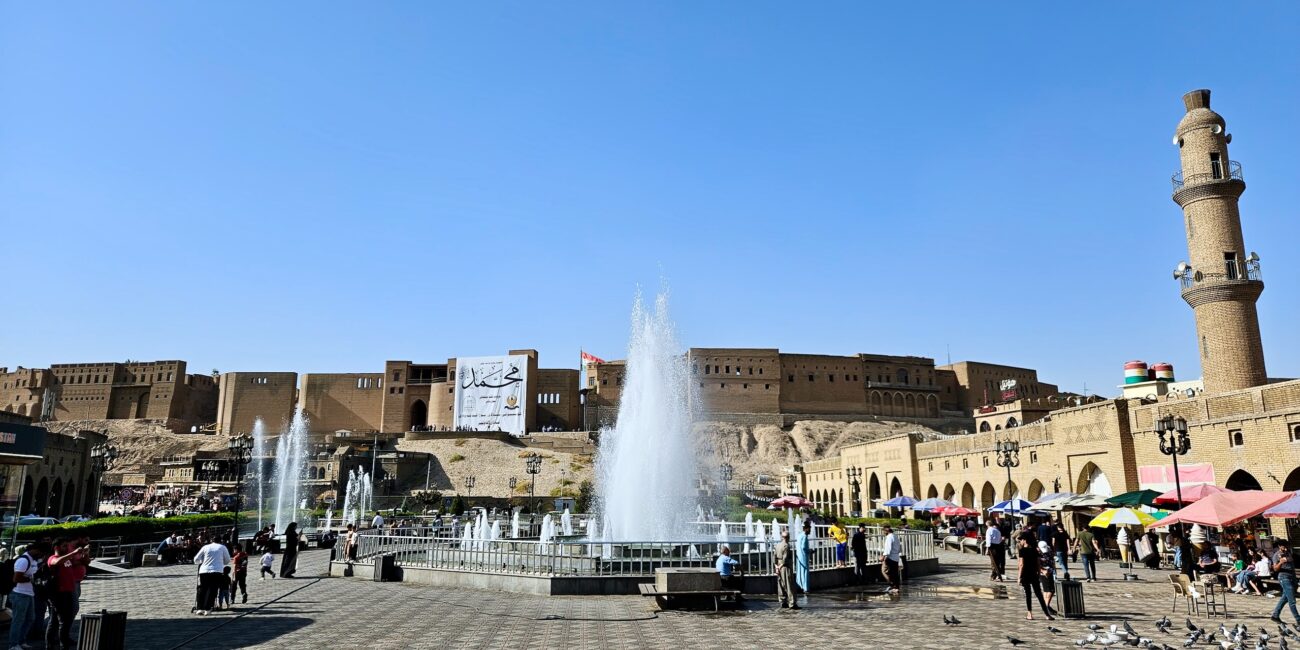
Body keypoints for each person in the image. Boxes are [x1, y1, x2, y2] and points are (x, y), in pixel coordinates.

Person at [45, 538, 85, 650]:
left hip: (68, 592)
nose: (66, 548)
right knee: (61, 621)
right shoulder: (53, 558)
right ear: (56, 547)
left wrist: (82, 553)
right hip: (59, 594)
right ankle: (58, 644)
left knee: (62, 620)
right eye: (64, 546)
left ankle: (62, 641)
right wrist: (73, 553)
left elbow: (80, 562)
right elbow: (56, 562)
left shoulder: (67, 559)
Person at [10, 541, 50, 650]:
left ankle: (21, 641)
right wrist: (32, 579)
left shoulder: (33, 560)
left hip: (29, 593)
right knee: (18, 620)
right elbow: (16, 578)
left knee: (30, 619)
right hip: (19, 594)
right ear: (37, 550)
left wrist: (42, 565)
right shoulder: (23, 560)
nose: (42, 556)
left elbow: (32, 572)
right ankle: (13, 644)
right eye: (42, 553)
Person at [1017, 531, 1054, 621]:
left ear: (1025, 540)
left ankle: (1029, 614)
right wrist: (1038, 572)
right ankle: (1047, 614)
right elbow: (1038, 563)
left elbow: (1021, 564)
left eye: (1021, 540)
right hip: (1034, 573)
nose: (1020, 542)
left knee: (1028, 594)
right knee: (1039, 594)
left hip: (1025, 574)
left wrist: (1019, 577)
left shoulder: (1022, 551)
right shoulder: (1035, 550)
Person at [192, 535, 231, 616]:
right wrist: (221, 562)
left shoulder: (205, 547)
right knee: (212, 589)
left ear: (211, 540)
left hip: (204, 570)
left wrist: (202, 562)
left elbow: (196, 559)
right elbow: (227, 560)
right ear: (220, 541)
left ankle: (200, 608)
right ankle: (207, 608)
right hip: (216, 571)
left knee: (202, 589)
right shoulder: (222, 547)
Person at [1272, 540, 1300, 625]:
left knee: (1285, 597)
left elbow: (1292, 562)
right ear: (1280, 546)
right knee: (1292, 600)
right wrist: (1280, 562)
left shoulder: (1288, 553)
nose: (1286, 548)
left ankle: (1275, 615)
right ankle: (1298, 620)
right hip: (1284, 578)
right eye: (1284, 546)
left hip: (1292, 577)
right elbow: (1275, 569)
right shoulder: (1276, 555)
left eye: (1287, 546)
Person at [774, 530, 798, 609]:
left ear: (782, 537)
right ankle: (792, 603)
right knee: (789, 585)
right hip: (785, 567)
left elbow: (774, 557)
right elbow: (785, 559)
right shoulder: (786, 546)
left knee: (780, 585)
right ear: (788, 537)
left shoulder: (777, 545)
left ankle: (782, 601)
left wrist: (776, 567)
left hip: (778, 566)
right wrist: (780, 566)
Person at [881, 524, 901, 592]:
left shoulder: (889, 537)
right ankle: (895, 587)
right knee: (894, 572)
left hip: (890, 557)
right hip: (896, 557)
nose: (883, 532)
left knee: (885, 571)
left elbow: (888, 549)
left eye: (883, 531)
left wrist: (883, 556)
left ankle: (893, 586)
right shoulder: (895, 536)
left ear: (886, 530)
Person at [795, 519, 811, 600]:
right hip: (804, 557)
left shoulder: (799, 535)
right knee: (805, 573)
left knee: (800, 572)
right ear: (806, 529)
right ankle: (805, 588)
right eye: (809, 529)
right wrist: (810, 551)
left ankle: (799, 586)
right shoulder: (804, 536)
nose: (810, 531)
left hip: (799, 557)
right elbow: (804, 547)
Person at [986, 516, 1005, 581]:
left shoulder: (989, 530)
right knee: (996, 561)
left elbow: (988, 539)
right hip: (998, 546)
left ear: (988, 525)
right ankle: (995, 574)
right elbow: (1000, 540)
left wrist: (987, 548)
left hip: (992, 546)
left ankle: (996, 574)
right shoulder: (997, 530)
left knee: (993, 561)